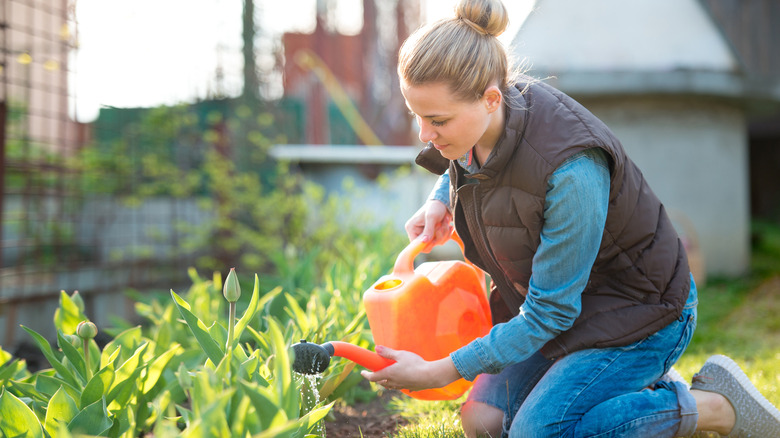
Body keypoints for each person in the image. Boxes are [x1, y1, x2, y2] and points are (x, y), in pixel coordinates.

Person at [359, 0, 780, 436]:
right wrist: (441, 198)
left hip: (641, 313)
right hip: (569, 310)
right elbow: (466, 155)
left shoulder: (571, 169)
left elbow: (548, 314)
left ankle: (713, 407)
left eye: (436, 121)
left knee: (538, 433)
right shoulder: (484, 116)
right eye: (418, 118)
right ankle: (616, 388)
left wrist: (442, 370)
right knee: (482, 421)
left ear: (490, 99)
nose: (424, 136)